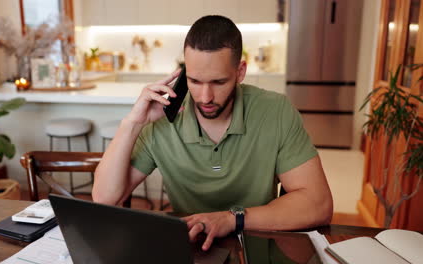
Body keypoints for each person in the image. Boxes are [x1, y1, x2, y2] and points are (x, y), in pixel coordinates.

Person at [93, 15, 333, 251]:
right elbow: (105, 199)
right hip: (191, 246)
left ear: (240, 72)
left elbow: (319, 204)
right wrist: (133, 123)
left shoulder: (276, 111)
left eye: (218, 82)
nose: (205, 97)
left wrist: (232, 219)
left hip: (256, 241)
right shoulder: (162, 119)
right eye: (194, 81)